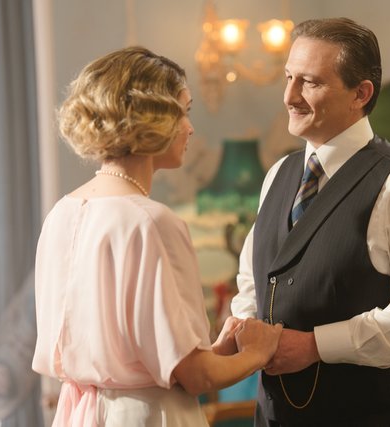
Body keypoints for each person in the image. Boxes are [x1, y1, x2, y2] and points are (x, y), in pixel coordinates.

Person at [31, 46, 283, 427]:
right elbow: (197, 377)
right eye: (184, 111)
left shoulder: (61, 214)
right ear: (152, 118)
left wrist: (218, 350)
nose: (190, 128)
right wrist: (258, 353)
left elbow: (152, 361)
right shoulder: (151, 222)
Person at [229, 18, 390, 426]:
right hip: (275, 414)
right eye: (289, 77)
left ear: (360, 93)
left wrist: (316, 345)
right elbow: (254, 281)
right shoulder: (279, 174)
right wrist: (245, 327)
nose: (289, 96)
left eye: (310, 82)